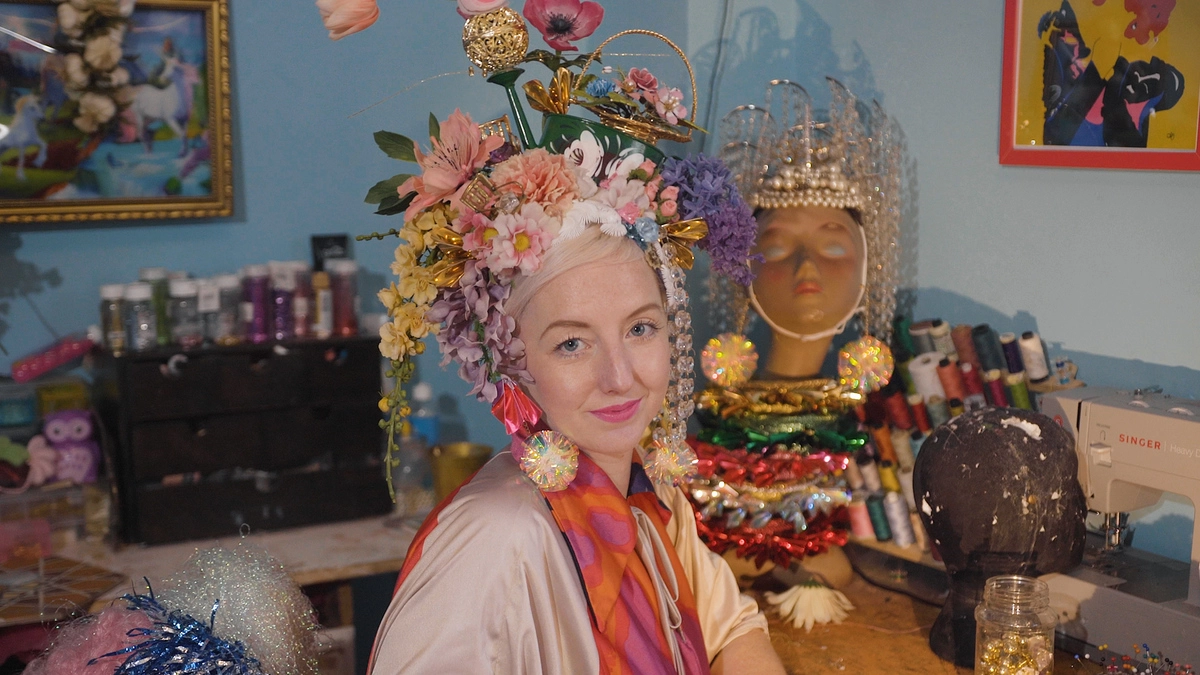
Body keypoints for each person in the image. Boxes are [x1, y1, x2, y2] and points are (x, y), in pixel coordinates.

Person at [370, 223, 785, 673]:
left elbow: (732, 631)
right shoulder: (497, 536)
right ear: (510, 363)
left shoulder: (652, 494)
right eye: (571, 344)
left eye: (640, 328)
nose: (620, 377)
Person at [682, 79, 905, 593]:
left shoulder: (859, 422)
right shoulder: (723, 416)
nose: (807, 267)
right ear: (746, 270)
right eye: (778, 250)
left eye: (832, 250)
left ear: (867, 270)